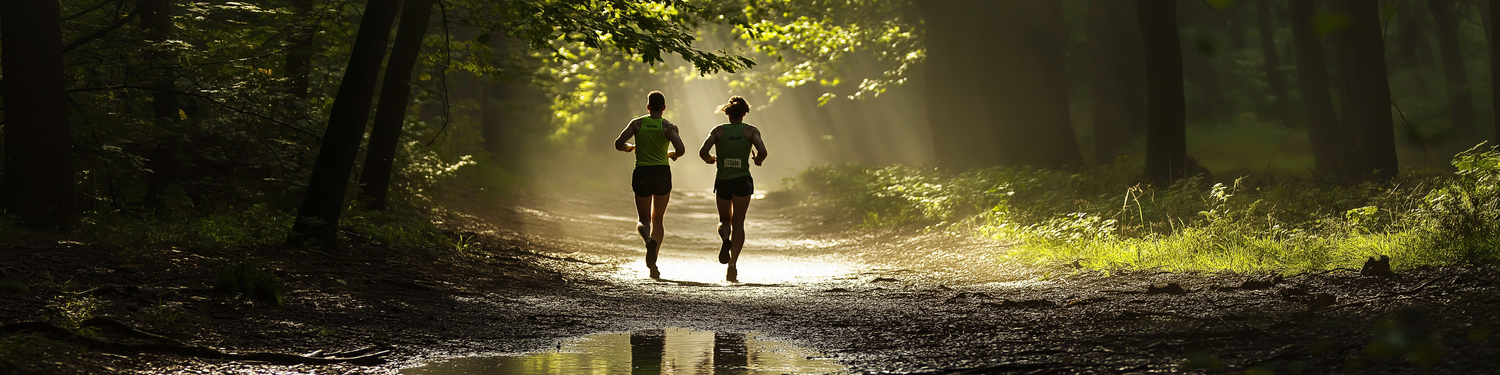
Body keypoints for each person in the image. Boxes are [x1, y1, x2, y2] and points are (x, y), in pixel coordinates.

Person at [614, 91, 685, 279]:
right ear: (663, 108)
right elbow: (681, 149)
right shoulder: (669, 127)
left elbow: (618, 143)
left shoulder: (637, 124)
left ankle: (648, 241)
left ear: (647, 107)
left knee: (643, 219)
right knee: (658, 218)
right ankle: (654, 260)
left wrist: (629, 148)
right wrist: (673, 155)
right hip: (662, 172)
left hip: (642, 172)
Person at [697, 96, 768, 282]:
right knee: (739, 222)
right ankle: (733, 265)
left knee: (724, 220)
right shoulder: (751, 131)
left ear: (727, 113)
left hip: (723, 181)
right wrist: (758, 159)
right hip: (743, 180)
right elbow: (763, 151)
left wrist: (710, 159)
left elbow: (703, 151)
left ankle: (725, 239)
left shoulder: (718, 131)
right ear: (745, 113)